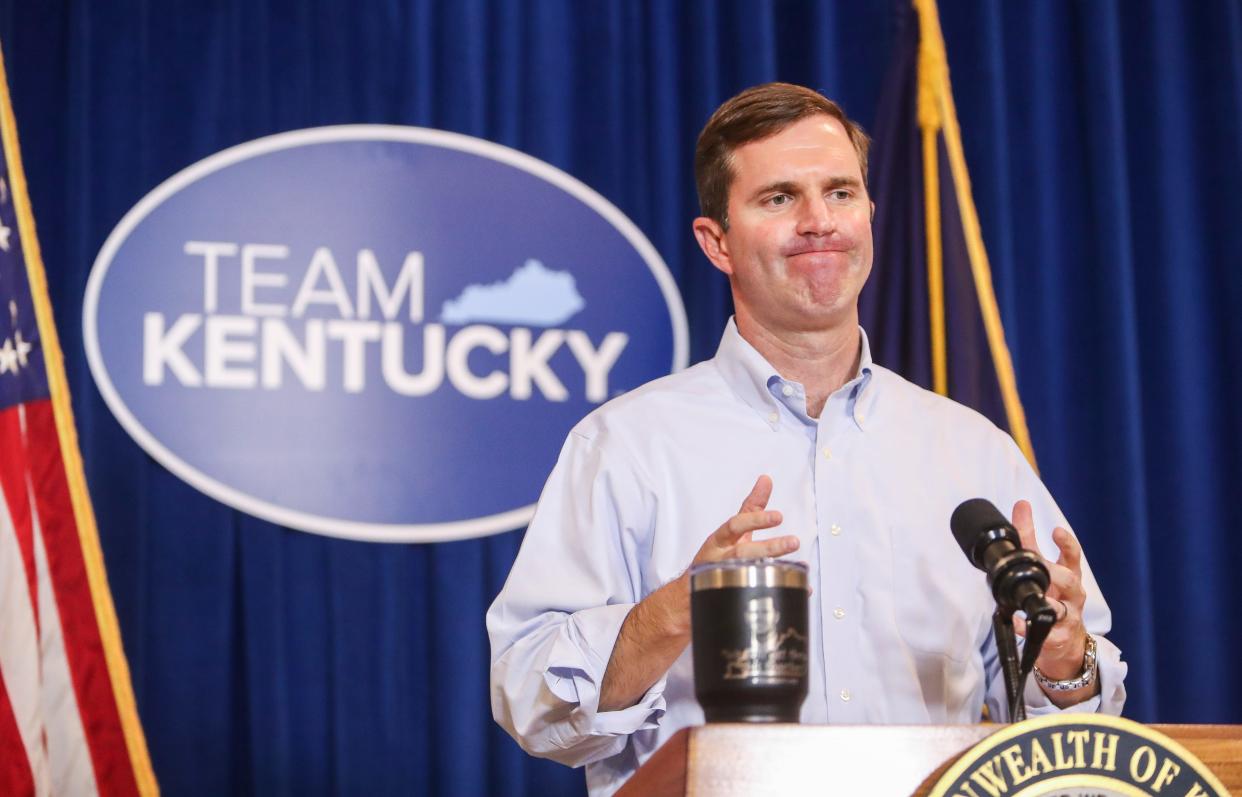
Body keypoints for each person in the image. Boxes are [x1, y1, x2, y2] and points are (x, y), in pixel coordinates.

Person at [487, 83, 1126, 796]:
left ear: (870, 214)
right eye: (780, 197)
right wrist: (675, 611)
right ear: (717, 241)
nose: (820, 221)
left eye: (841, 193)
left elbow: (1072, 737)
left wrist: (1063, 660)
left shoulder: (970, 451)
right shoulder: (626, 445)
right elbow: (527, 694)